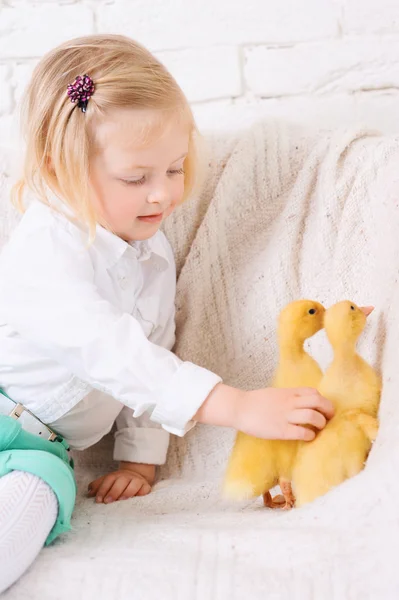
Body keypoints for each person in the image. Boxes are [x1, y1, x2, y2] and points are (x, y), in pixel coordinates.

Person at [0, 34, 333, 592]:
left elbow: (153, 351)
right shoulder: (45, 249)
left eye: (175, 170)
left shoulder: (150, 252)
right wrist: (234, 404)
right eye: (137, 178)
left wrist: (138, 460)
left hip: (43, 450)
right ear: (61, 170)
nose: (163, 196)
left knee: (30, 511)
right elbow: (113, 352)